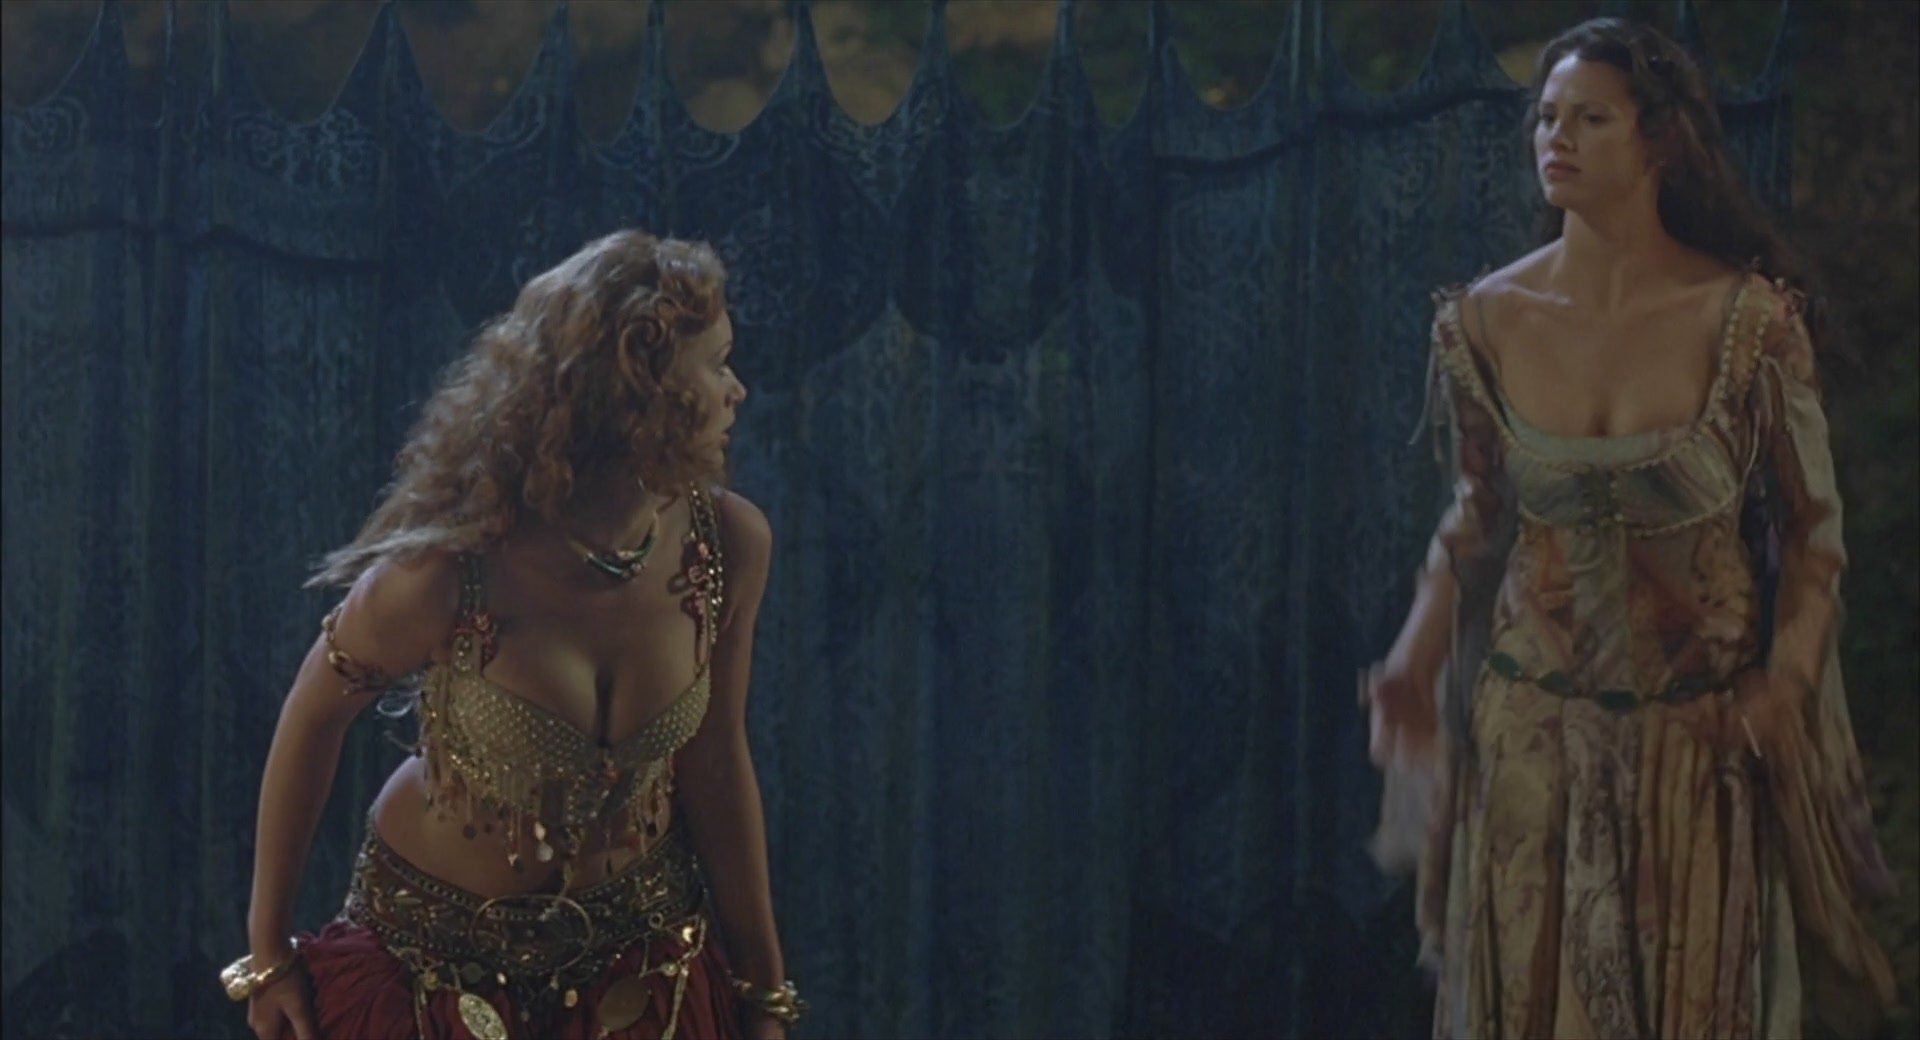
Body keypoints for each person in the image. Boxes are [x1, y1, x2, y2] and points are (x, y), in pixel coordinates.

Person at [1362, 17, 1895, 1039]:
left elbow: (1812, 531)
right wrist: (1413, 660)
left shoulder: (1747, 322)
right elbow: (1477, 514)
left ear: (1659, 140)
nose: (1555, 137)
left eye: (1590, 118)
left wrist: (1784, 681)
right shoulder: (1486, 319)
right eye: (1546, 117)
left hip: (1690, 753)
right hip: (1534, 745)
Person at [219, 230, 804, 1039]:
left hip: (643, 969)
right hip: (429, 971)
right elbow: (313, 714)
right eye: (718, 364)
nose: (737, 390)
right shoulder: (450, 571)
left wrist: (762, 986)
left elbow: (715, 759)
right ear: (641, 391)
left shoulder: (727, 544)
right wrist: (268, 951)